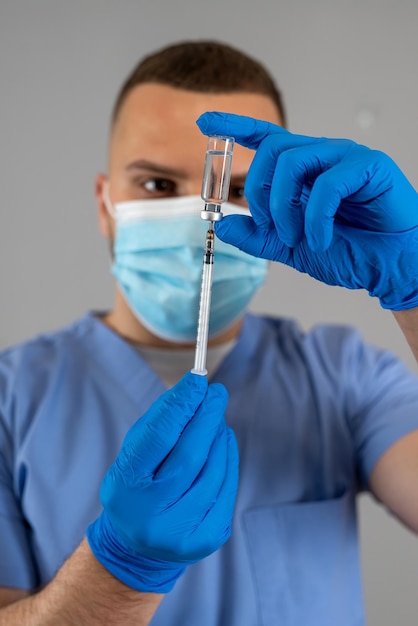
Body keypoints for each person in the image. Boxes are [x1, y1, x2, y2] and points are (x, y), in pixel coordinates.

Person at [0, 39, 418, 626]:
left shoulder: (346, 376)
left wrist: (416, 287)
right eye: (155, 186)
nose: (204, 217)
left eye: (237, 190)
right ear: (104, 204)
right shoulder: (10, 400)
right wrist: (118, 574)